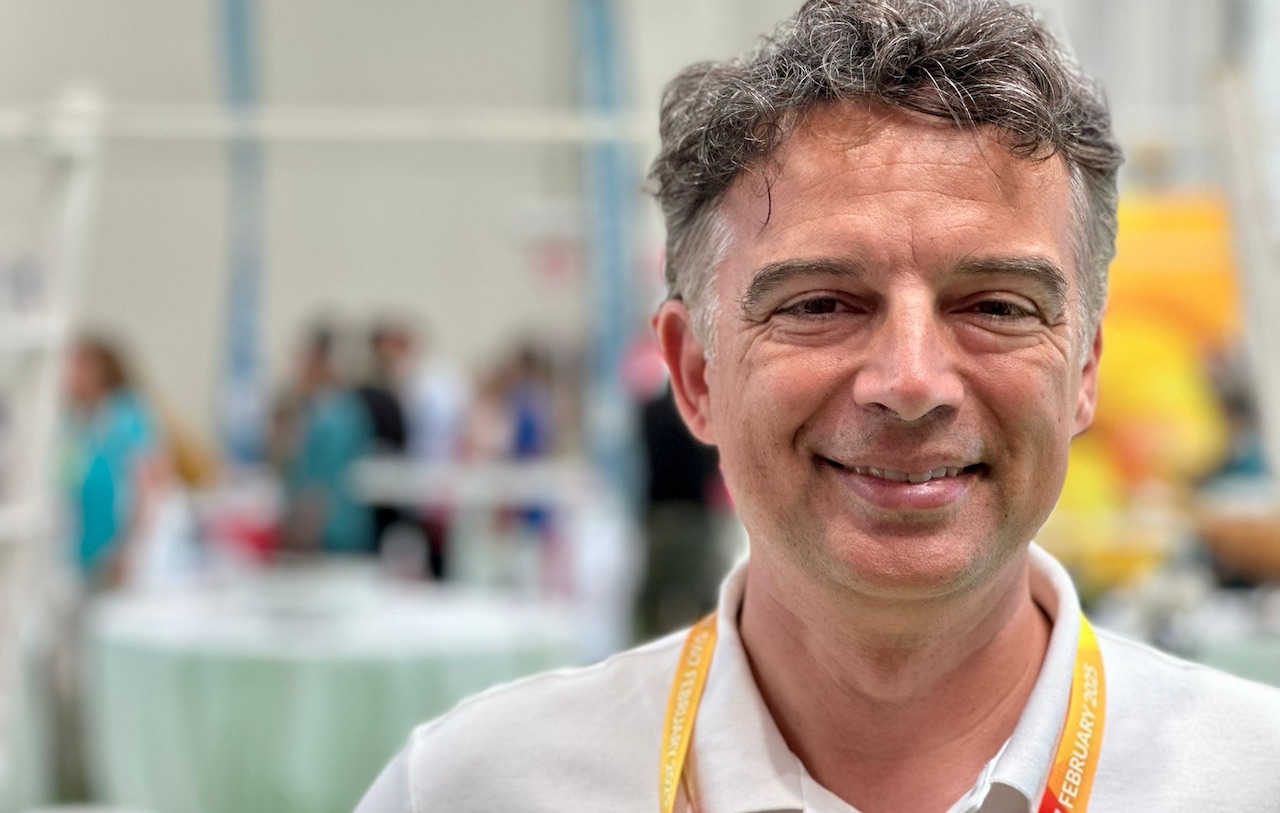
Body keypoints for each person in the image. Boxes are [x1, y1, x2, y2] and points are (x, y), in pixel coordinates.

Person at [355, 2, 1280, 811]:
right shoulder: (476, 789)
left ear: (1083, 371)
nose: (911, 382)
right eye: (821, 305)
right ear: (696, 374)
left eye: (997, 306)